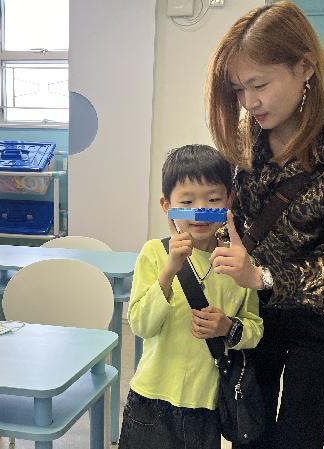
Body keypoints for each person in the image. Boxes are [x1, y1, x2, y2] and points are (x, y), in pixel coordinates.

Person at [205, 2, 324, 449]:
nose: (249, 102)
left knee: (298, 439)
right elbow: (237, 219)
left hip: (322, 320)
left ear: (305, 67)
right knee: (247, 429)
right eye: (238, 89)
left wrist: (261, 276)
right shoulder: (252, 133)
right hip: (255, 310)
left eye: (259, 85)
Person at [118, 144, 264, 449]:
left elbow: (254, 329)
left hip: (205, 406)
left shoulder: (239, 264)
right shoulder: (155, 253)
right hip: (151, 399)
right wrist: (170, 270)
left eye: (212, 199)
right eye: (187, 201)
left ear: (229, 201)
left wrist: (228, 327)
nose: (200, 210)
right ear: (167, 205)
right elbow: (141, 325)